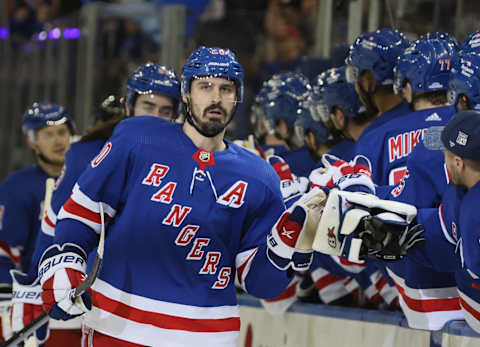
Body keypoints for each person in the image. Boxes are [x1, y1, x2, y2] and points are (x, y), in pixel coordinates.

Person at [36, 46, 326, 346]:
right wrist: (65, 261)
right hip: (118, 329)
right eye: (205, 87)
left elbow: (262, 285)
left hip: (209, 337)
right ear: (186, 93)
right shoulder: (138, 137)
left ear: (237, 97)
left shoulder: (260, 177)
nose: (216, 98)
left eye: (226, 89)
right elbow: (80, 213)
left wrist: (285, 246)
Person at [9, 62, 182, 346]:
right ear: (129, 108)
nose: (156, 119)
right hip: (99, 302)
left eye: (165, 112)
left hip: (166, 306)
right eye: (148, 108)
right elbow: (56, 225)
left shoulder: (188, 160)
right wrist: (35, 283)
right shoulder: (88, 154)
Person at [0, 102, 74, 343]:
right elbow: (6, 251)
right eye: (48, 134)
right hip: (34, 302)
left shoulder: (88, 179)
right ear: (33, 142)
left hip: (79, 297)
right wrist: (9, 302)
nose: (57, 141)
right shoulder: (16, 188)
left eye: (62, 132)